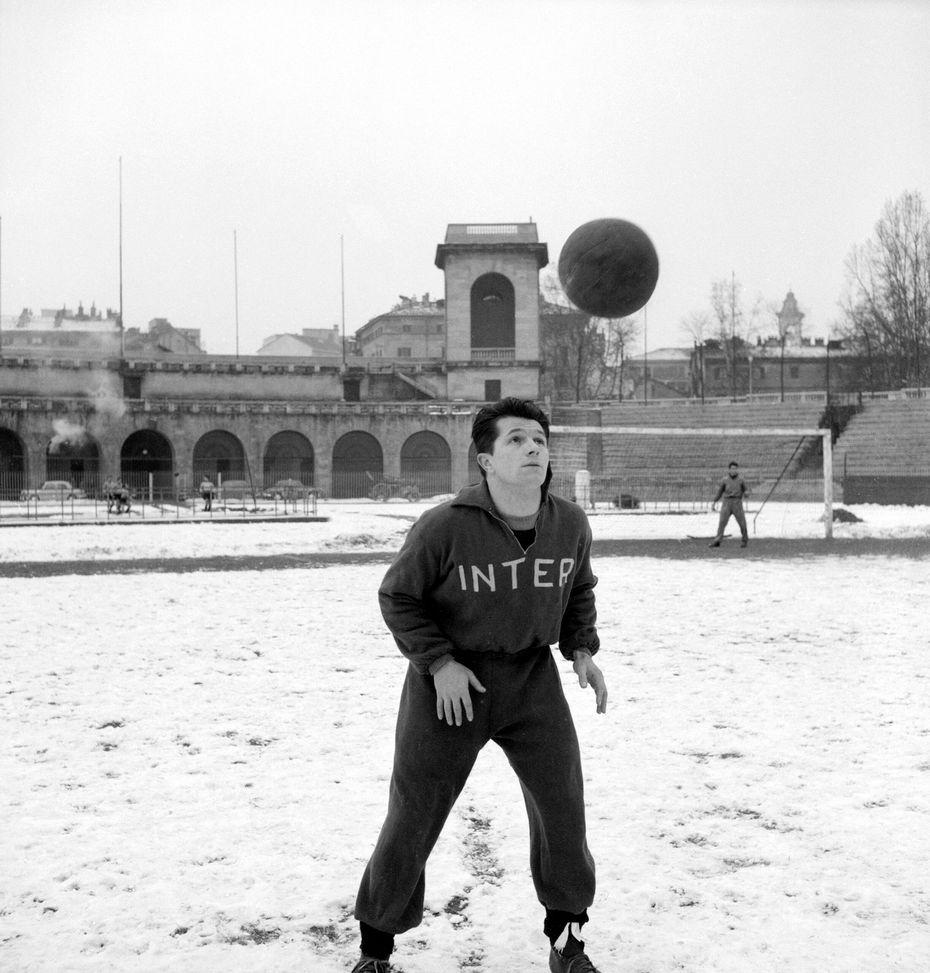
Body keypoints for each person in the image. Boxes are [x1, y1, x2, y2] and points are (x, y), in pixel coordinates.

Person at [352, 397, 608, 973]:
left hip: (532, 680)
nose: (532, 448)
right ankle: (375, 950)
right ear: (485, 460)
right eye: (515, 439)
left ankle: (568, 942)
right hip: (452, 684)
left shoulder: (569, 522)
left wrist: (581, 650)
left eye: (539, 439)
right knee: (415, 812)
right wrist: (438, 663)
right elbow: (398, 596)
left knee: (563, 809)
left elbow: (579, 590)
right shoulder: (445, 525)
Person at [709, 461, 749, 547]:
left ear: (737, 470)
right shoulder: (725, 480)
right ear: (729, 469)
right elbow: (720, 491)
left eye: (735, 469)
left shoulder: (741, 480)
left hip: (737, 502)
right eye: (732, 468)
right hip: (726, 502)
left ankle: (744, 540)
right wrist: (715, 501)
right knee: (722, 522)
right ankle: (717, 540)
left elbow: (746, 489)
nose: (733, 470)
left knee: (742, 522)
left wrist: (746, 493)